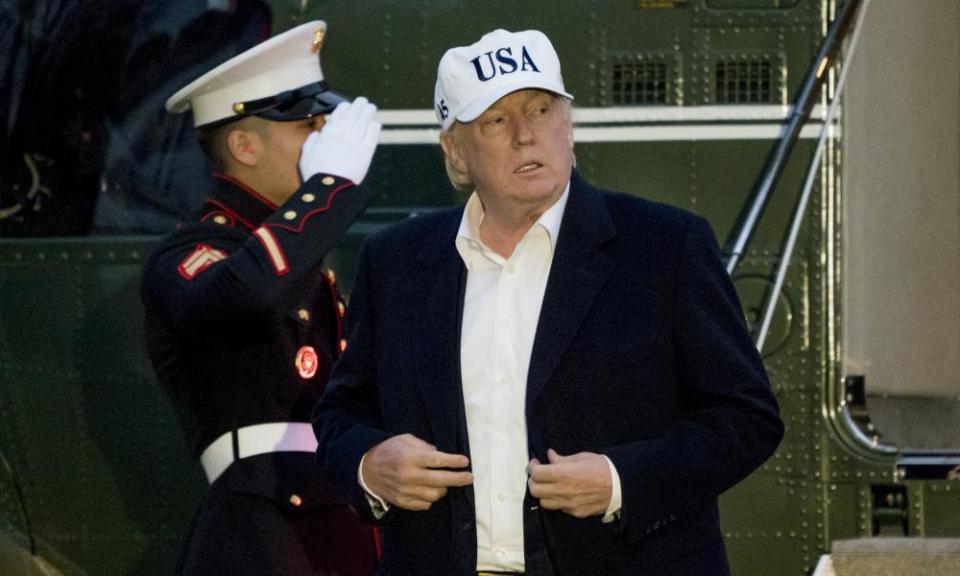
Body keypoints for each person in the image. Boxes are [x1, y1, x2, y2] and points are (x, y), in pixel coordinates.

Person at [313, 28, 784, 576]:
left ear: (569, 125)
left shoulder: (664, 246)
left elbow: (746, 418)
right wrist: (370, 465)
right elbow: (341, 413)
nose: (524, 136)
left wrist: (620, 480)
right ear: (455, 152)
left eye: (540, 110)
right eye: (495, 120)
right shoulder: (395, 263)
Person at [141, 20, 380, 576]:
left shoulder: (299, 255)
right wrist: (328, 188)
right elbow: (244, 296)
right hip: (267, 531)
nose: (324, 140)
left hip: (336, 516)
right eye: (307, 125)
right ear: (245, 145)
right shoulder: (195, 252)